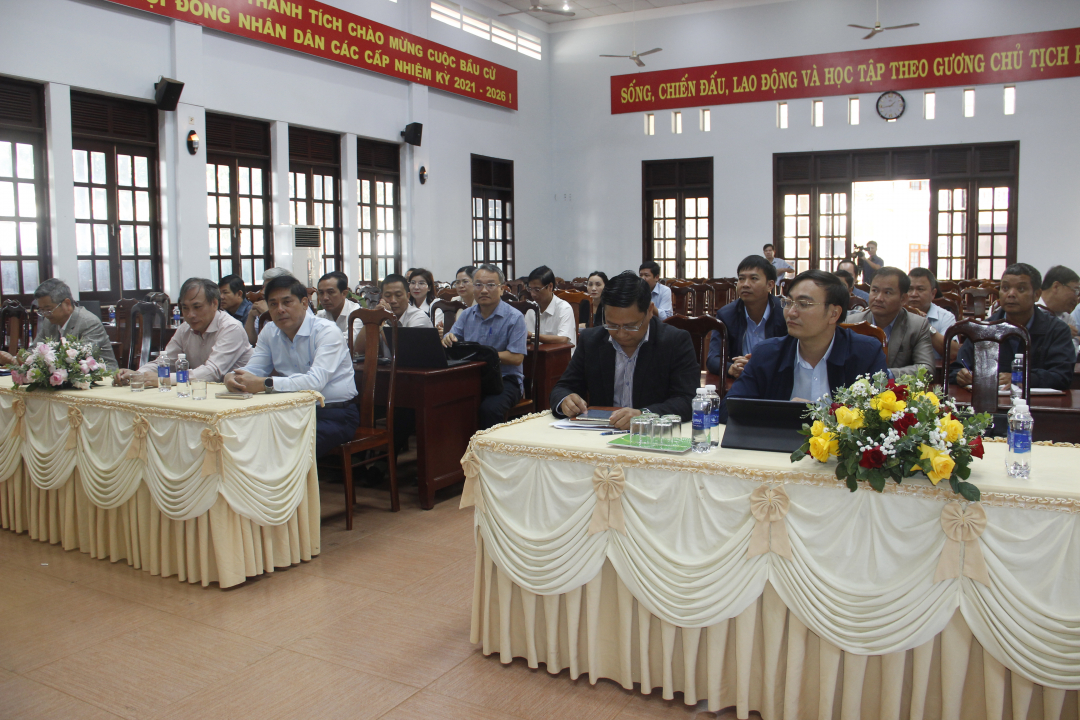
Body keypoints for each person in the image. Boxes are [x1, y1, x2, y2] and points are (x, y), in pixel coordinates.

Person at [720, 269, 889, 422]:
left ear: (834, 313)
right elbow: (728, 411)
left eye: (804, 304)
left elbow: (880, 418)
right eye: (788, 302)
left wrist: (820, 413)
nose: (791, 312)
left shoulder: (865, 353)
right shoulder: (767, 353)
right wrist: (785, 413)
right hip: (777, 451)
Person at [225, 275, 358, 458]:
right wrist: (232, 376)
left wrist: (267, 384)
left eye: (287, 302)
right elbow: (253, 369)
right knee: (241, 438)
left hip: (333, 414)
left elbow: (315, 382)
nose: (280, 310)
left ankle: (289, 487)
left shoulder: (327, 331)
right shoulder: (270, 331)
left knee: (282, 450)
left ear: (304, 303)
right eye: (273, 304)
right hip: (289, 412)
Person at [551, 271, 699, 430]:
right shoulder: (591, 341)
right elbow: (562, 388)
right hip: (599, 436)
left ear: (649, 311)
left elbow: (686, 399)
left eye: (631, 326)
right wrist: (566, 400)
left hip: (651, 438)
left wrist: (644, 416)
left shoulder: (675, 341)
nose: (621, 334)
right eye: (612, 325)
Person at [951, 263, 1075, 391]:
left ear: (1037, 295)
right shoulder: (983, 328)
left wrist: (1022, 378)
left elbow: (1062, 376)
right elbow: (956, 370)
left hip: (1038, 406)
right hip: (990, 405)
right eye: (1005, 288)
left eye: (1021, 289)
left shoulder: (1056, 330)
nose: (1010, 294)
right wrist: (961, 375)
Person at [114, 278, 252, 386]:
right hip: (202, 392)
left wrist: (165, 379)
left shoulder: (231, 328)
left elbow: (212, 373)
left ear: (215, 304)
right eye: (185, 308)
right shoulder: (185, 328)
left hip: (237, 396)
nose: (190, 314)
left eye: (197, 307)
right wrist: (137, 374)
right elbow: (165, 361)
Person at [441, 264, 528, 429]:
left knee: (489, 409)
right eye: (479, 285)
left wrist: (484, 354)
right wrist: (448, 338)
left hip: (505, 380)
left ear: (502, 289)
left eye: (490, 285)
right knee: (446, 402)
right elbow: (451, 337)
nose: (484, 290)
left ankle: (490, 453)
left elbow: (516, 358)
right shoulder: (467, 314)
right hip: (471, 377)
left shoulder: (514, 318)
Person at [0, 279, 118, 371]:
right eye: (41, 310)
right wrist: (17, 359)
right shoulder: (49, 322)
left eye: (48, 309)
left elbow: (77, 360)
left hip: (103, 380)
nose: (45, 315)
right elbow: (34, 350)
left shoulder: (88, 322)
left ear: (67, 303)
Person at [707, 255, 787, 378]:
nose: (745, 284)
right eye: (741, 279)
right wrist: (731, 368)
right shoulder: (726, 315)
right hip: (742, 379)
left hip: (776, 379)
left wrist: (760, 365)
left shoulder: (785, 313)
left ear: (770, 285)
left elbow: (795, 355)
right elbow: (713, 359)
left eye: (753, 278)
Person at [845, 267, 935, 377]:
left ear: (903, 299)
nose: (878, 298)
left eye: (887, 292)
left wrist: (885, 375)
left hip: (898, 391)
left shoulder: (917, 325)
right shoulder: (850, 323)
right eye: (874, 290)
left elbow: (926, 369)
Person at [354, 273, 434, 351]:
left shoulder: (419, 317)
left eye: (398, 295)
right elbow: (358, 350)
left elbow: (403, 351)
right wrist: (373, 318)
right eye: (388, 296)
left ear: (408, 296)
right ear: (381, 297)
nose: (393, 300)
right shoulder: (381, 315)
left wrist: (382, 325)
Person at [907, 267, 959, 361]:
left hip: (933, 373)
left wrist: (924, 324)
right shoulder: (895, 313)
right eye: (910, 289)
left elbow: (953, 353)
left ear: (933, 293)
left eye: (920, 289)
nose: (914, 294)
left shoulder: (945, 317)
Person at [524, 265, 577, 354]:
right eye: (530, 289)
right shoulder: (531, 309)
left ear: (550, 287)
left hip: (561, 359)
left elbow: (563, 339)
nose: (532, 294)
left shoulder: (564, 308)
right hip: (538, 358)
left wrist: (532, 336)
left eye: (537, 289)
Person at [1037, 265, 1080, 353]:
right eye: (1075, 290)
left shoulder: (1067, 319)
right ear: (1056, 286)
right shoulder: (1029, 311)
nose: (1076, 298)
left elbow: (1070, 355)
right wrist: (1059, 332)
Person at [315, 270, 360, 340]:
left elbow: (349, 342)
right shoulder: (320, 315)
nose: (325, 298)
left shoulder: (356, 313)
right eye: (321, 293)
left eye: (330, 292)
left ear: (344, 293)